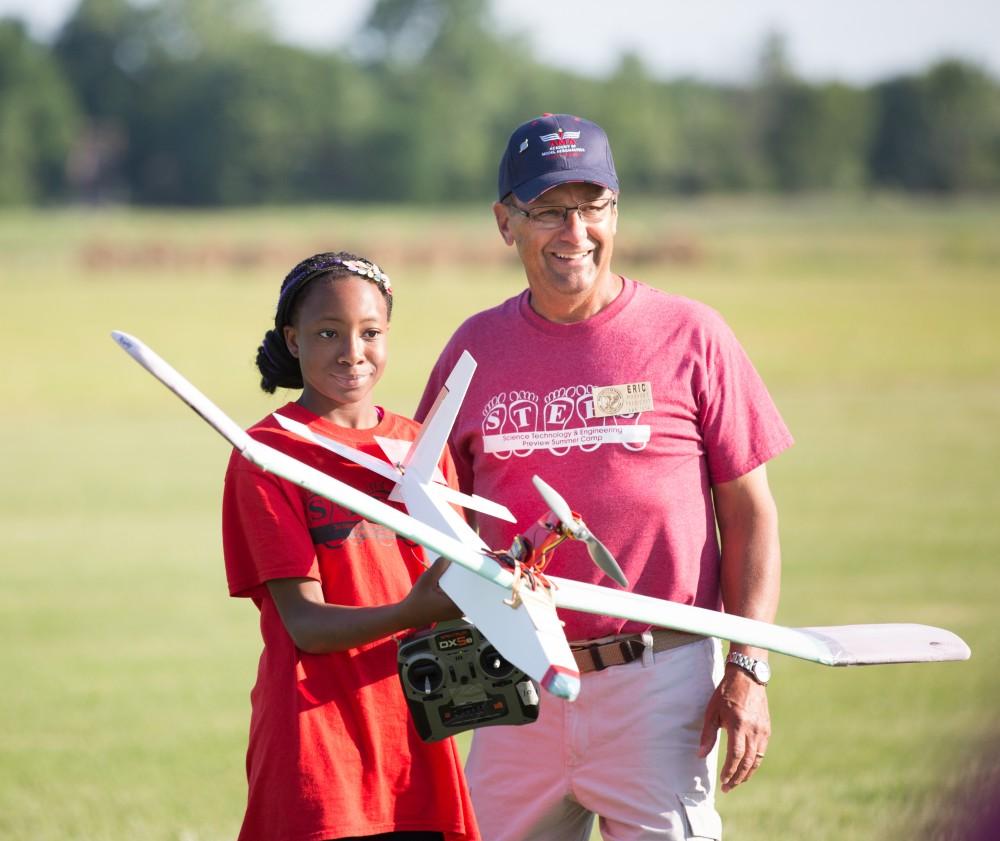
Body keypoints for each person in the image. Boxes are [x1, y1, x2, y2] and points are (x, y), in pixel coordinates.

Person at [415, 114, 794, 841]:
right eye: (550, 210)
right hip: (515, 683)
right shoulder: (473, 348)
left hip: (658, 686)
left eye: (594, 206)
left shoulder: (693, 335)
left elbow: (752, 515)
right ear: (505, 222)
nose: (575, 231)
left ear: (617, 210)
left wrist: (748, 667)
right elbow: (433, 514)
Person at [222, 251, 481, 841]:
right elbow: (306, 626)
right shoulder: (266, 455)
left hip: (419, 738)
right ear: (292, 339)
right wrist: (413, 612)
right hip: (319, 746)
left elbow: (454, 582)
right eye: (327, 333)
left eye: (370, 333)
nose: (352, 353)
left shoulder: (422, 445)